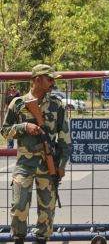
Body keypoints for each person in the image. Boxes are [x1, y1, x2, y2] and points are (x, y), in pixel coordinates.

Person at [1, 64, 72, 244]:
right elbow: (5, 130)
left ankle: (42, 239)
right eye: (49, 79)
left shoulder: (57, 105)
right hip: (24, 164)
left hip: (48, 164)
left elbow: (64, 138)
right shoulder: (18, 104)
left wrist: (62, 165)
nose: (53, 83)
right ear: (37, 79)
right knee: (18, 206)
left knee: (47, 209)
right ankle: (18, 239)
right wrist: (24, 127)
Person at [5, 84, 22, 148]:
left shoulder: (20, 96)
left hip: (19, 116)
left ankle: (20, 145)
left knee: (20, 130)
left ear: (16, 88)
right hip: (11, 117)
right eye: (12, 87)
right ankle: (10, 146)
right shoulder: (8, 97)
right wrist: (5, 116)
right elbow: (6, 107)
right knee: (10, 131)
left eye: (15, 87)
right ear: (10, 89)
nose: (13, 88)